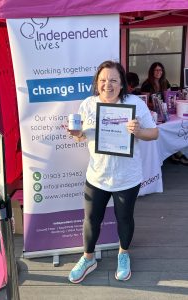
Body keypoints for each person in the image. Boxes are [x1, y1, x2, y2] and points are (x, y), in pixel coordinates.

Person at [67, 60, 158, 284]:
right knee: (91, 219)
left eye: (113, 80)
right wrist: (75, 133)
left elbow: (154, 133)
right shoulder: (88, 104)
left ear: (122, 83)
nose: (108, 85)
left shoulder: (134, 103)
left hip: (127, 177)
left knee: (124, 218)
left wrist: (138, 131)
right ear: (97, 83)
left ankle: (123, 254)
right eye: (103, 80)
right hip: (96, 175)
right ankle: (89, 258)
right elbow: (80, 136)